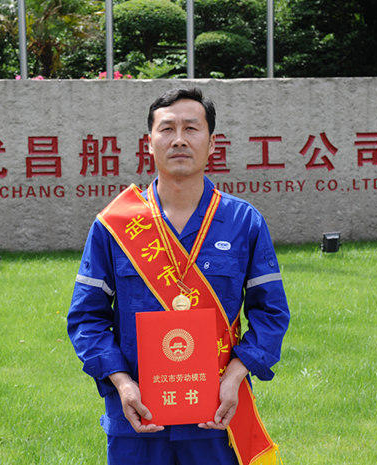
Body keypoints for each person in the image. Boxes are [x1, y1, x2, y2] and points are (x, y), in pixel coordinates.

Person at [67, 87, 290, 465]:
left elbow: (271, 313)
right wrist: (121, 382)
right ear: (149, 143)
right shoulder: (114, 225)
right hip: (137, 416)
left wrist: (236, 374)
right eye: (167, 129)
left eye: (191, 128)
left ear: (212, 143)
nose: (180, 139)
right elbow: (87, 317)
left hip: (217, 415)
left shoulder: (243, 222)